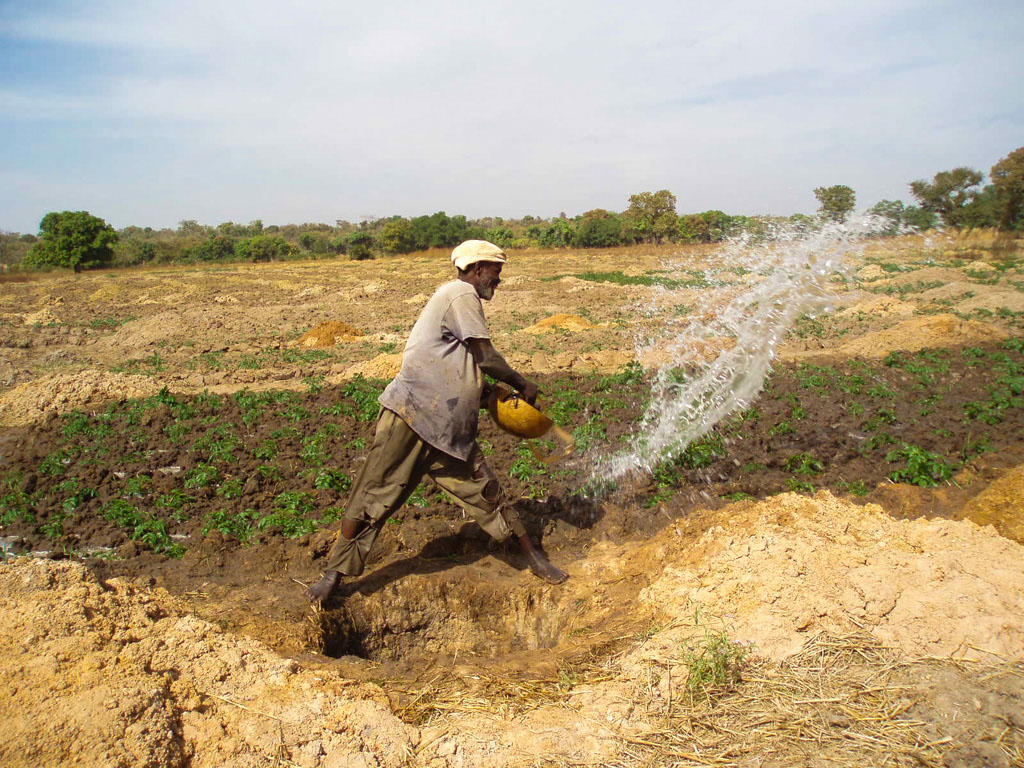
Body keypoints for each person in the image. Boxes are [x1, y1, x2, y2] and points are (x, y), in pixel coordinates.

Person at [306, 240, 569, 602]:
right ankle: (333, 576)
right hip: (411, 416)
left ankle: (535, 560)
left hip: (449, 430)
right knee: (372, 494)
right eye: (496, 271)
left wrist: (488, 393)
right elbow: (485, 355)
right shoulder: (460, 294)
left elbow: (458, 365)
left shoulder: (459, 299)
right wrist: (521, 383)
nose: (499, 279)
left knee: (490, 495)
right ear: (477, 269)